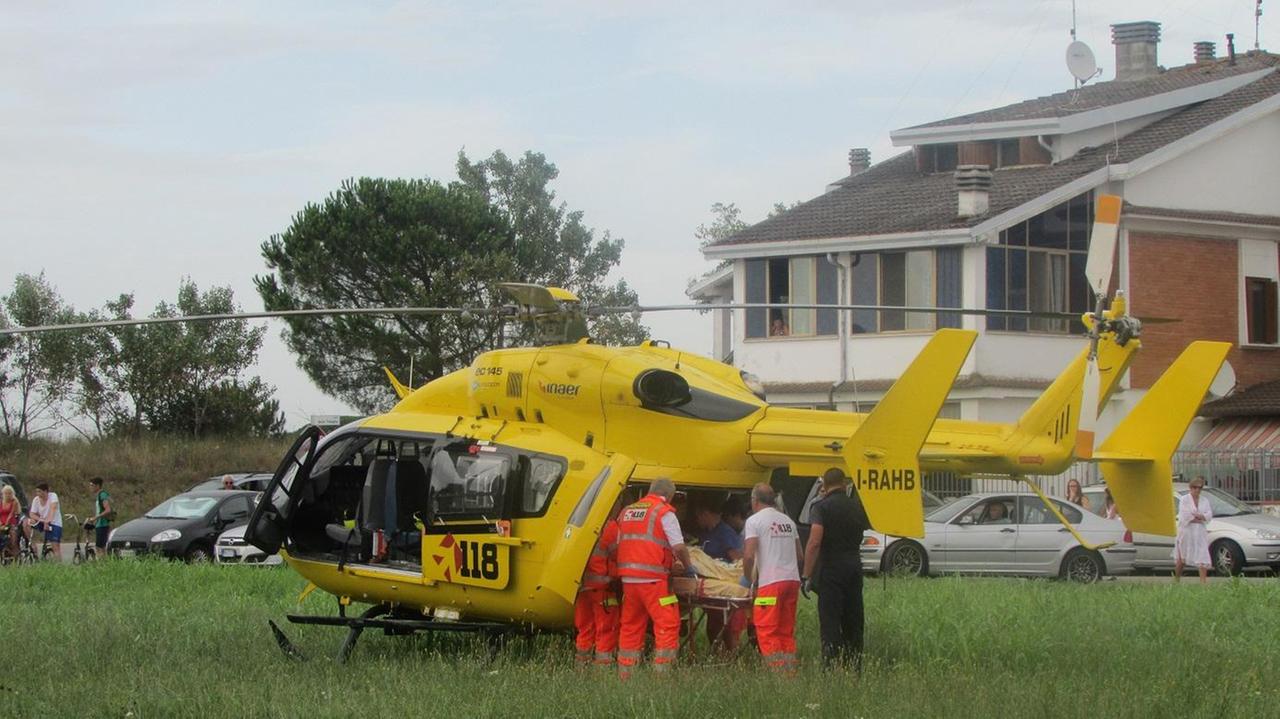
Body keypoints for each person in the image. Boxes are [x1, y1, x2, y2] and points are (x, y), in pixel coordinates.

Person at [615, 478, 694, 679]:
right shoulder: (664, 512)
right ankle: (662, 674)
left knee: (631, 626)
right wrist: (688, 567)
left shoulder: (627, 512)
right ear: (669, 495)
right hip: (654, 581)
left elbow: (620, 543)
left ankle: (626, 673)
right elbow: (678, 546)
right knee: (668, 624)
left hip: (629, 581)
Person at [801, 468, 870, 669]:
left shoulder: (821, 508)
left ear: (824, 485)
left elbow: (814, 542)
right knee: (853, 617)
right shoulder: (857, 507)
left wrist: (806, 575)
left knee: (830, 619)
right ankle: (854, 666)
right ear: (844, 483)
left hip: (831, 568)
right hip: (854, 566)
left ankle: (830, 666)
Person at [741, 483, 802, 674]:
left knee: (767, 629)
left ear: (754, 501)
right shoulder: (788, 522)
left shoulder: (754, 521)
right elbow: (799, 555)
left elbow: (749, 555)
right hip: (792, 581)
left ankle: (777, 674)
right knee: (785, 629)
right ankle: (789, 672)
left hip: (771, 583)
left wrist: (748, 578)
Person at [574, 508, 620, 667]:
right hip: (604, 588)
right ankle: (603, 669)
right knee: (606, 629)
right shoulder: (610, 527)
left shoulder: (581, 524)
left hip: (581, 588)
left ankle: (581, 666)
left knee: (585, 628)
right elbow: (618, 555)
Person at [1174, 476, 1213, 585]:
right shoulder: (1184, 499)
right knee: (1182, 559)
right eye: (1195, 487)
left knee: (1202, 555)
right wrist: (1199, 517)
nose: (1197, 490)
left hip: (1199, 532)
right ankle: (1176, 579)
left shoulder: (1205, 501)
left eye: (1200, 488)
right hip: (1186, 532)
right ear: (1191, 488)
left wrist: (1199, 516)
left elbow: (1209, 515)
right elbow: (1185, 515)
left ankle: (1203, 583)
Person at [27, 483, 63, 562]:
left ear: (46, 491)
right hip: (42, 521)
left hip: (54, 522)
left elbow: (53, 509)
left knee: (55, 545)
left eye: (39, 492)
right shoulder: (36, 499)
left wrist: (48, 520)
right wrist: (42, 520)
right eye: (37, 492)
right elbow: (32, 514)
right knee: (28, 522)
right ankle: (32, 544)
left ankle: (59, 564)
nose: (38, 494)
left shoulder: (53, 496)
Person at [86, 477, 113, 560]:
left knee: (100, 547)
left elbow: (108, 509)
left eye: (92, 485)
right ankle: (104, 564)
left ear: (97, 486)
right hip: (99, 524)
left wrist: (95, 518)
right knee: (100, 547)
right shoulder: (99, 496)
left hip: (103, 524)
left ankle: (102, 565)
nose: (91, 487)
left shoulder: (102, 494)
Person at [0, 485, 20, 560]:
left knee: (13, 537)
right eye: (6, 493)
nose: (8, 495)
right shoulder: (1, 502)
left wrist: (6, 524)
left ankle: (16, 554)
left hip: (11, 522)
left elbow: (11, 514)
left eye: (9, 493)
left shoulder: (14, 502)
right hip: (1, 522)